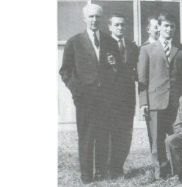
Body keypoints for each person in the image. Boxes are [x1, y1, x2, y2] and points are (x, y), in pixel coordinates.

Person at [59, 4, 120, 183]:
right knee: (86, 136)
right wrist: (77, 92)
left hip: (105, 99)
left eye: (97, 17)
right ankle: (87, 176)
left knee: (103, 135)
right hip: (85, 99)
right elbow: (65, 71)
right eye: (91, 17)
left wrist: (114, 65)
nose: (94, 20)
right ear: (84, 19)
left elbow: (117, 69)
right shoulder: (74, 42)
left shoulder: (110, 42)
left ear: (101, 19)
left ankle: (101, 172)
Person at [137, 13, 182, 181]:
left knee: (176, 137)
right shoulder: (146, 49)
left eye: (172, 26)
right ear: (158, 27)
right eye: (166, 26)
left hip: (177, 101)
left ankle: (178, 171)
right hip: (155, 102)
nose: (169, 29)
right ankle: (161, 171)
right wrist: (143, 102)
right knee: (157, 139)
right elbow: (142, 79)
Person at [106, 13, 139, 179]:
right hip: (109, 98)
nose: (120, 28)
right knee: (111, 134)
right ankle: (109, 169)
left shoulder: (133, 47)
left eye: (122, 25)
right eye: (116, 25)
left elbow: (136, 71)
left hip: (127, 98)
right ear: (110, 27)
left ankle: (118, 167)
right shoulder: (104, 45)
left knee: (126, 133)